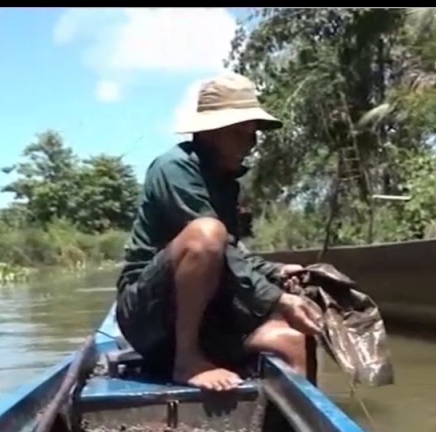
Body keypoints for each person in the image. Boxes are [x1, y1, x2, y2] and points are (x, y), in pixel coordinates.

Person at [115, 72, 323, 391]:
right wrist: (278, 300)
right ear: (213, 132)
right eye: (242, 132)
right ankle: (186, 360)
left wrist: (276, 271)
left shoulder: (225, 183)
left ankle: (294, 427)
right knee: (206, 232)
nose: (252, 142)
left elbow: (234, 252)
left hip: (206, 317)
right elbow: (214, 245)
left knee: (295, 340)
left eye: (254, 133)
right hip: (148, 318)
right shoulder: (174, 168)